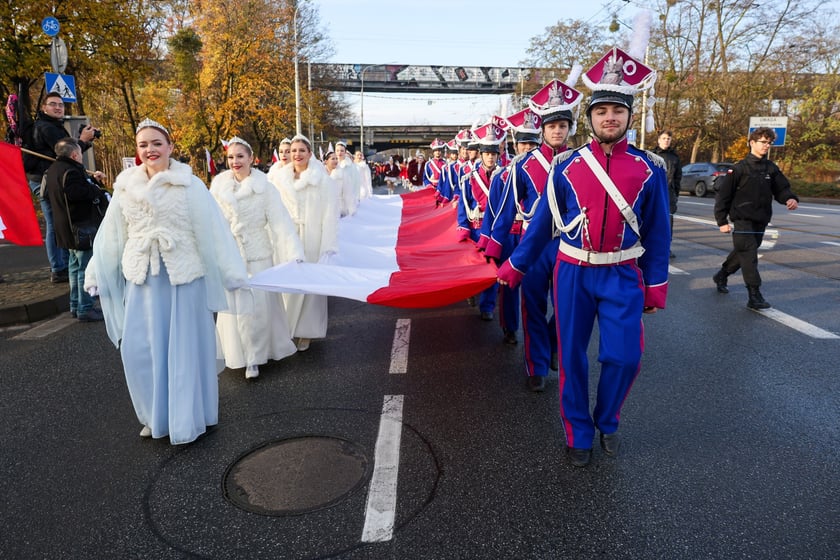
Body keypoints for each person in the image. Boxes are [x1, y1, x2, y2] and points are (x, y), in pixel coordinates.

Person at [498, 46, 670, 467]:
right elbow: (542, 223)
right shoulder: (566, 166)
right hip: (572, 271)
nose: (609, 117)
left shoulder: (649, 168)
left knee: (624, 357)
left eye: (617, 110)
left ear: (629, 116)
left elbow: (659, 232)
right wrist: (517, 265)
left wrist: (655, 285)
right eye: (601, 111)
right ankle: (578, 431)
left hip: (622, 272)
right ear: (590, 119)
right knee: (572, 357)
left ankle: (607, 419)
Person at [85, 118, 248, 444]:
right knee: (141, 350)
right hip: (142, 280)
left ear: (170, 147)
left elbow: (214, 230)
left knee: (184, 350)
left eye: (157, 143)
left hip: (182, 279)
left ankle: (188, 416)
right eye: (143, 144)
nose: (150, 150)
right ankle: (155, 414)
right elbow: (112, 236)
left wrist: (231, 271)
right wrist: (95, 272)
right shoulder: (125, 186)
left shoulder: (190, 185)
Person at [210, 137, 304, 379]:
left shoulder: (265, 188)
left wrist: (294, 253)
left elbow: (280, 222)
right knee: (234, 309)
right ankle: (240, 354)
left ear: (251, 158)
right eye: (231, 157)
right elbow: (211, 225)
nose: (235, 161)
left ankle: (256, 357)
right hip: (231, 255)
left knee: (258, 307)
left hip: (258, 254)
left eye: (240, 156)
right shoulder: (218, 188)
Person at [712, 127, 798, 309]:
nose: (766, 146)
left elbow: (782, 189)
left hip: (761, 219)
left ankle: (722, 275)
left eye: (769, 143)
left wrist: (789, 198)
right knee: (749, 254)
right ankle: (754, 295)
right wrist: (722, 221)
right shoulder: (738, 169)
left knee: (743, 253)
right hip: (742, 219)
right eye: (763, 142)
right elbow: (724, 196)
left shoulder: (771, 168)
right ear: (752, 143)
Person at [269, 135, 339, 351]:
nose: (296, 154)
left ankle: (307, 331)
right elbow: (271, 211)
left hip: (312, 237)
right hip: (286, 236)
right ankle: (286, 329)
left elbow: (330, 215)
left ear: (310, 153)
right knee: (287, 285)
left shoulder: (322, 181)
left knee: (310, 286)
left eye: (301, 150)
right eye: (293, 150)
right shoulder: (278, 179)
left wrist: (328, 246)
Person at [24, 92, 99, 283]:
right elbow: (66, 154)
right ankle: (58, 268)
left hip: (48, 179)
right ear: (44, 108)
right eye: (53, 104)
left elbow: (69, 154)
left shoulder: (53, 126)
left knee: (59, 221)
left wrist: (84, 142)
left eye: (60, 104)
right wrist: (82, 140)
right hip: (46, 180)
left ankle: (62, 265)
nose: (58, 107)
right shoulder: (46, 128)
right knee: (54, 222)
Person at [44, 138, 107, 322]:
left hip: (64, 227)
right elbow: (77, 193)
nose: (81, 156)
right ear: (74, 155)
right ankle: (85, 307)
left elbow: (46, 193)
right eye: (80, 153)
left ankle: (75, 305)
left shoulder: (52, 170)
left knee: (74, 267)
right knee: (85, 269)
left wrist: (91, 181)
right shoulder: (72, 171)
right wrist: (96, 189)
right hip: (79, 226)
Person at [457, 121, 505, 321]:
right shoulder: (469, 178)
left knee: (492, 269)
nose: (490, 157)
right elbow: (463, 204)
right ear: (481, 155)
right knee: (475, 267)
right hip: (476, 228)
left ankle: (487, 306)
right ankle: (471, 291)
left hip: (497, 229)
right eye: (487, 154)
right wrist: (463, 227)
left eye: (493, 154)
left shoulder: (505, 176)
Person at [652, 130, 682, 258]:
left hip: (669, 193)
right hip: (653, 192)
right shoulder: (651, 155)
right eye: (664, 138)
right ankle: (650, 247)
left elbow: (678, 177)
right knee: (651, 221)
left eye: (668, 139)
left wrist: (676, 194)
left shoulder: (674, 157)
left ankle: (666, 248)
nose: (666, 141)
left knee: (668, 222)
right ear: (659, 140)